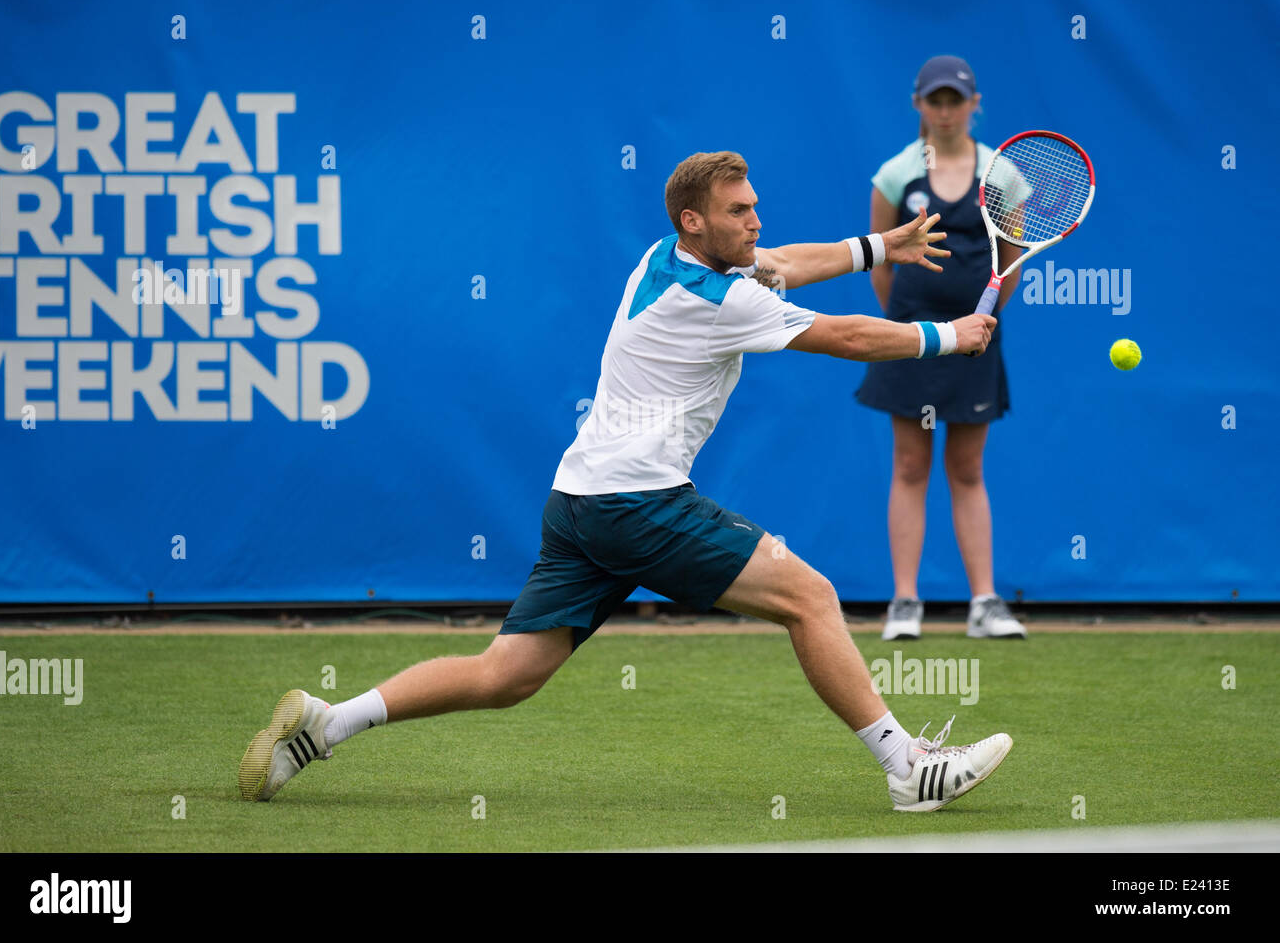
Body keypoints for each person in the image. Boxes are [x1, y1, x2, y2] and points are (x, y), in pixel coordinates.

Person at [239, 151, 1012, 813]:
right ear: (693, 222)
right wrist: (949, 335)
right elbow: (842, 334)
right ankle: (908, 768)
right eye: (737, 211)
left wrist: (881, 247)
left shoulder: (663, 257)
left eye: (755, 207)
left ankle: (325, 722)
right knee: (809, 597)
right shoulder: (720, 299)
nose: (755, 221)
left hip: (577, 501)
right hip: (638, 501)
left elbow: (785, 263)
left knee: (506, 673)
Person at [855, 55, 1028, 641]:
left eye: (957, 99)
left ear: (974, 103)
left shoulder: (1002, 176)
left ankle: (985, 604)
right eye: (936, 100)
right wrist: (911, 331)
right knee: (909, 465)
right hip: (912, 339)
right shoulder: (894, 175)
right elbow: (882, 264)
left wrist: (978, 324)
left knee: (967, 467)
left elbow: (1011, 265)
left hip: (977, 342)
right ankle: (905, 603)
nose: (947, 110)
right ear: (918, 105)